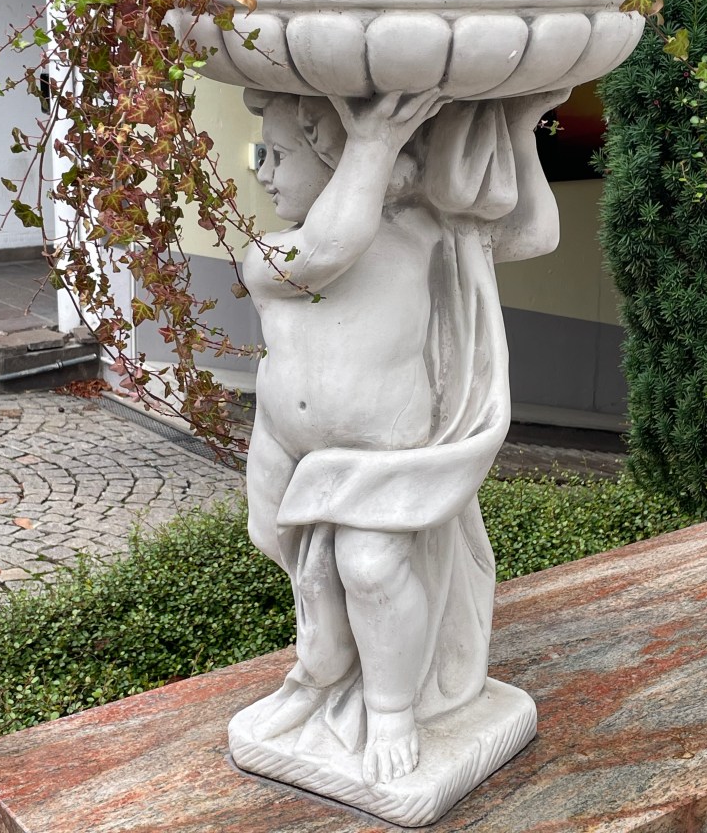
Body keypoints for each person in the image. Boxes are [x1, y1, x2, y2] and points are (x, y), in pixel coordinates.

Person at [236, 86, 562, 786]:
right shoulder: (269, 255)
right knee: (321, 609)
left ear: (333, 159)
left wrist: (522, 127)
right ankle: (326, 676)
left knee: (369, 567)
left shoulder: (420, 234)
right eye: (262, 154)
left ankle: (390, 713)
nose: (262, 173)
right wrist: (374, 143)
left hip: (389, 460)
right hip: (291, 462)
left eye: (279, 155)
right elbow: (330, 247)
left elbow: (532, 235)